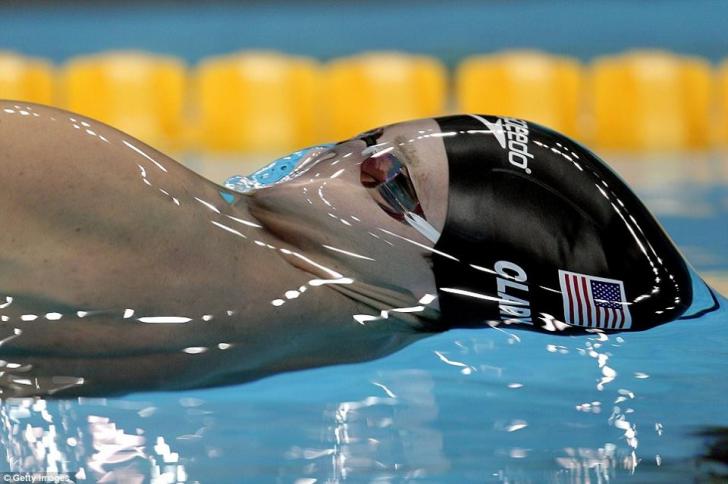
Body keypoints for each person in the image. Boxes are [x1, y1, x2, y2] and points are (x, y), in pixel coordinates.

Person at [0, 101, 718, 397]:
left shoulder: (95, 178)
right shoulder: (339, 343)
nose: (357, 155)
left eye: (392, 186)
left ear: (437, 288)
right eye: (374, 140)